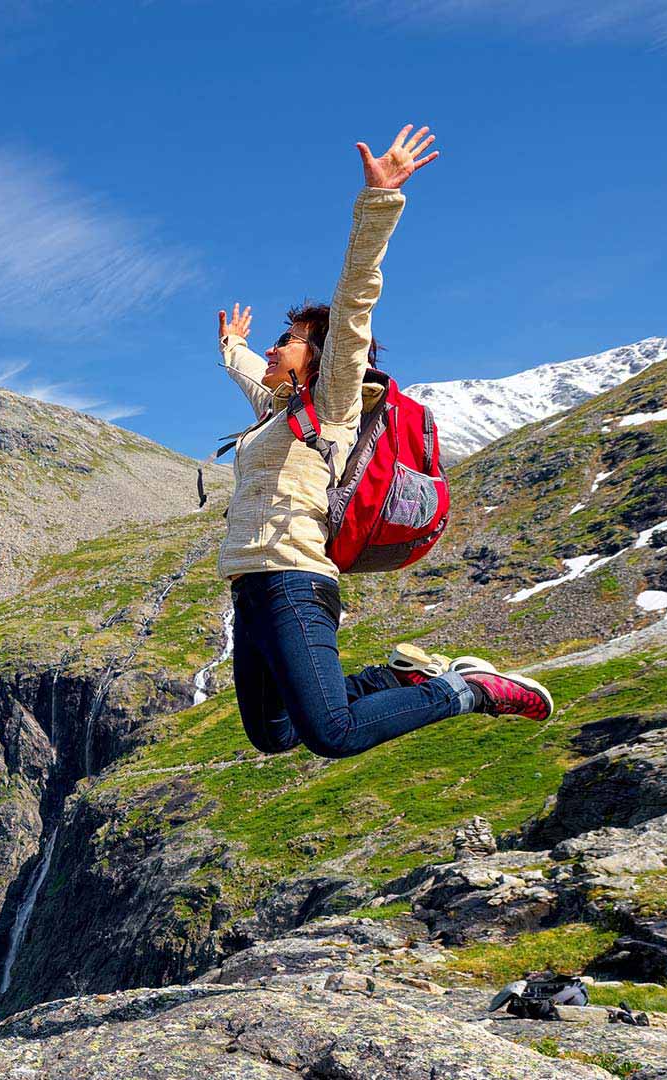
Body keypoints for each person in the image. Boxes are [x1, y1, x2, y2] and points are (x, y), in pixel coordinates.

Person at [215, 124, 553, 760]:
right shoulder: (276, 413)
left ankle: (467, 691)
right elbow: (246, 373)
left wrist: (378, 203)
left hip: (293, 579)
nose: (272, 348)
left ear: (318, 357)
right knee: (274, 734)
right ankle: (399, 680)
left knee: (333, 735)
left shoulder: (334, 402)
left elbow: (352, 303)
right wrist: (231, 345)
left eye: (285, 341)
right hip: (249, 589)